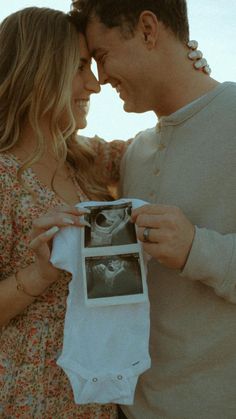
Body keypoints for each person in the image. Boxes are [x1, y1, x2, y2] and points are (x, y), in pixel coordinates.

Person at [71, 1, 236, 418]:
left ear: (147, 29)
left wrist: (197, 249)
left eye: (102, 57)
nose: (101, 78)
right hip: (130, 408)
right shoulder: (136, 153)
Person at [0, 6, 129, 417]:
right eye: (79, 67)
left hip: (95, 397)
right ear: (38, 71)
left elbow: (171, 135)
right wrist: (37, 274)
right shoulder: (3, 176)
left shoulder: (89, 162)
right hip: (27, 399)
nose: (94, 84)